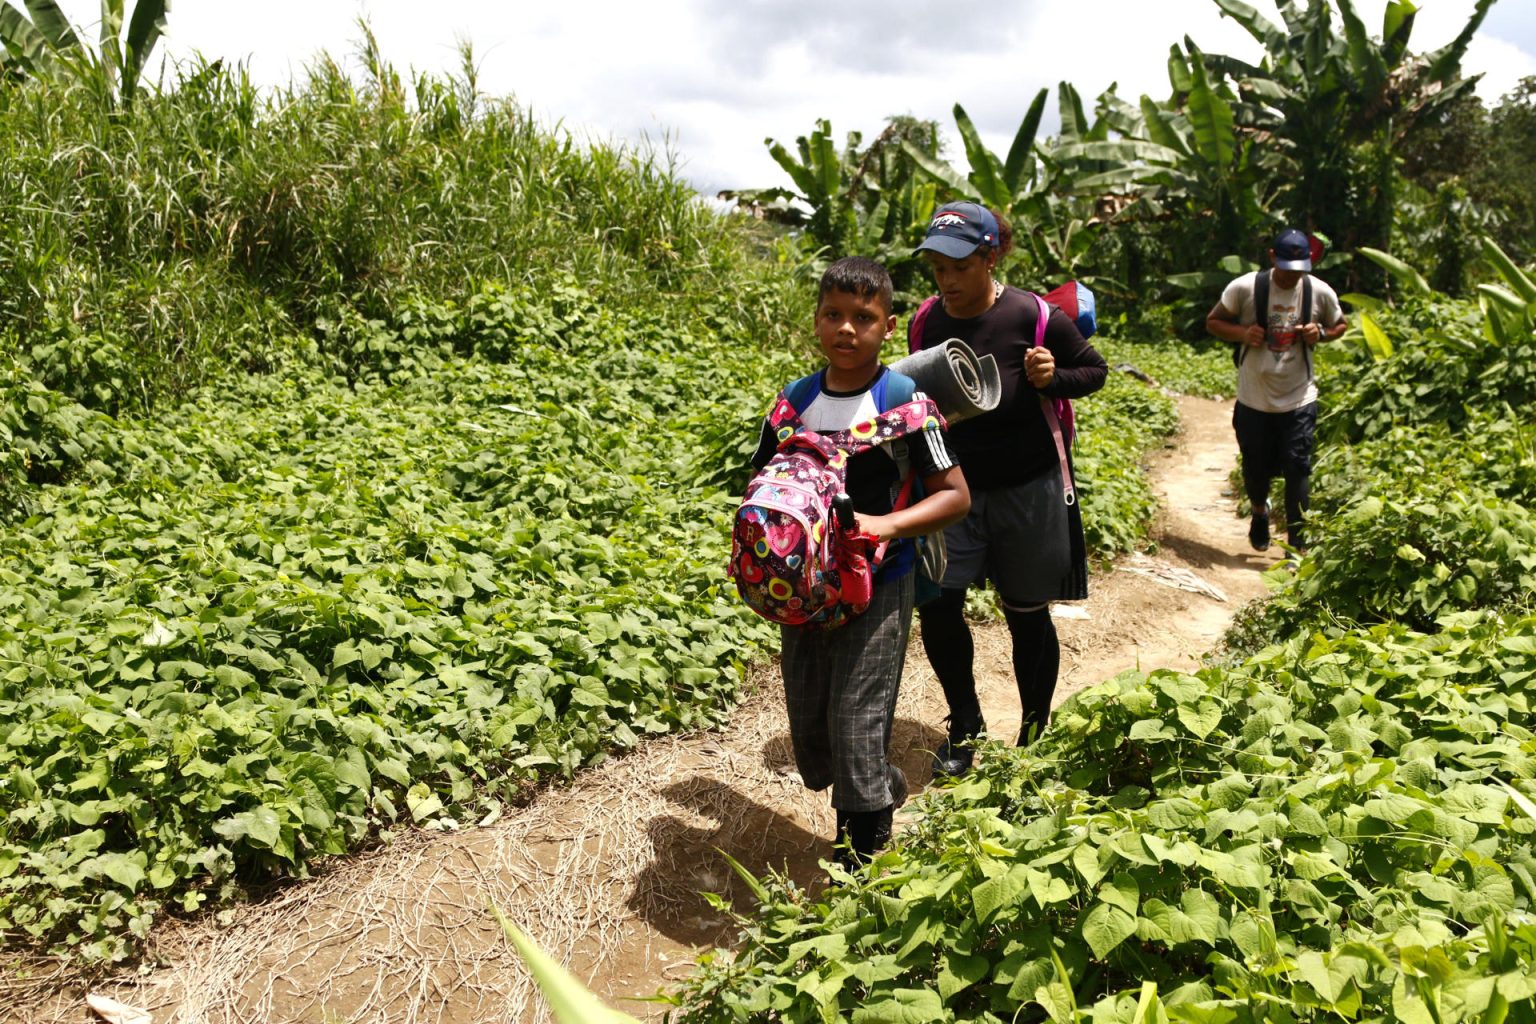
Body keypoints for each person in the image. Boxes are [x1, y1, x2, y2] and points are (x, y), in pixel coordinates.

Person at [750, 255, 970, 864]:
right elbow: (763, 488)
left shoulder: (905, 403)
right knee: (812, 736)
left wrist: (883, 525)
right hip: (805, 595)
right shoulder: (791, 404)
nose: (848, 329)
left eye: (864, 318)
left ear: (889, 326)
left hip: (880, 583)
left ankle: (859, 862)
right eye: (834, 315)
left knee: (855, 721)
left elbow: (955, 496)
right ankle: (883, 787)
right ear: (817, 322)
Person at [908, 202, 1107, 776]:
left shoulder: (1036, 317)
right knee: (940, 605)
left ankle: (1034, 735)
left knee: (1027, 613)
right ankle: (966, 724)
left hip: (1029, 489)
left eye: (959, 267)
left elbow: (1093, 371)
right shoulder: (928, 320)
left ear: (990, 258)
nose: (946, 281)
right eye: (937, 268)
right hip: (953, 489)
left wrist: (1053, 376)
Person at [1205, 227, 1348, 553]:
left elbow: (1340, 325)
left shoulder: (1319, 292)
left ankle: (1298, 546)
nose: (1291, 277)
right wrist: (1242, 333)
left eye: (1298, 271)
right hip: (1254, 398)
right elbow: (1213, 322)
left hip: (1299, 397)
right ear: (1272, 258)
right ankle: (1259, 510)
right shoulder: (1245, 288)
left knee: (1298, 467)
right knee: (1255, 468)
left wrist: (1320, 333)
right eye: (1286, 269)